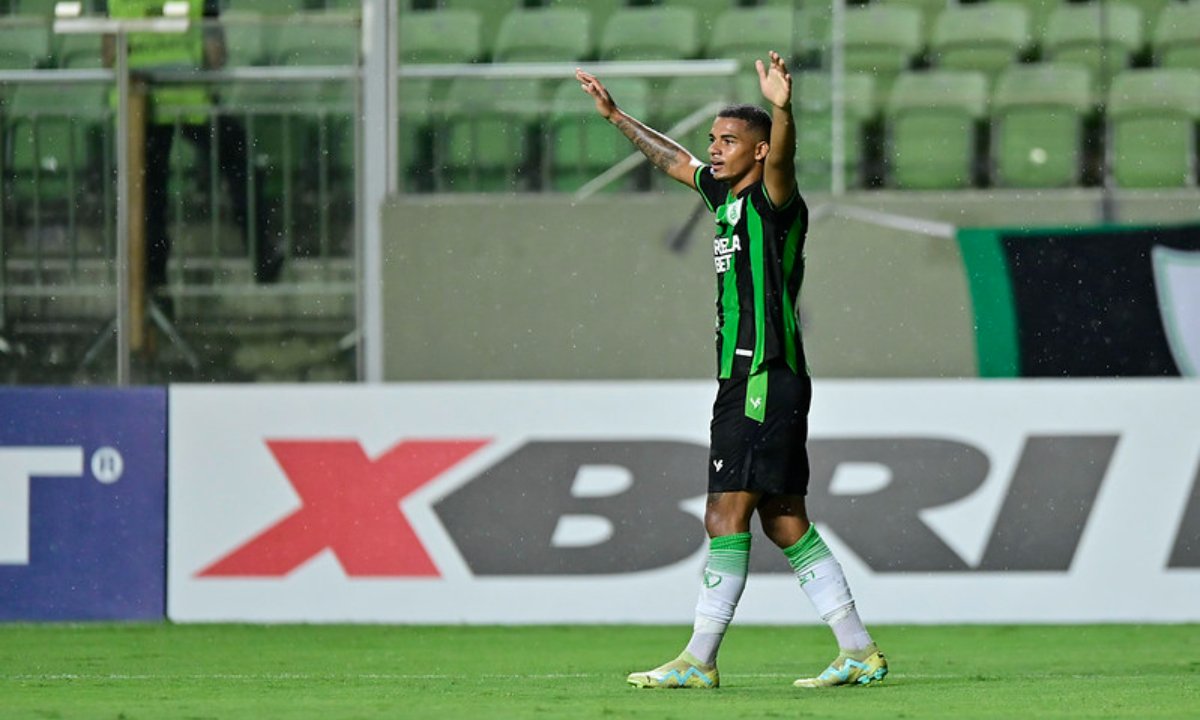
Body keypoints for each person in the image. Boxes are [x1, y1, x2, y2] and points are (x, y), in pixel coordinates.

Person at [576, 52, 888, 690]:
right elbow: (671, 160)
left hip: (763, 376)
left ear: (759, 150)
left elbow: (785, 157)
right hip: (752, 380)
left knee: (724, 513)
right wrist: (616, 117)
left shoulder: (775, 200)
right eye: (713, 140)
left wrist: (782, 108)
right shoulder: (723, 194)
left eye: (728, 141)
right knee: (783, 520)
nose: (714, 150)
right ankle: (857, 650)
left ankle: (698, 659)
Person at [104, 0, 283, 301]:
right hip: (189, 100)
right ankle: (261, 251)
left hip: (141, 104)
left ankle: (155, 293)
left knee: (150, 200)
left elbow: (108, 56)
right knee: (240, 159)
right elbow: (216, 55)